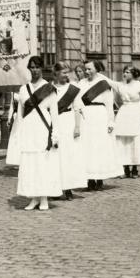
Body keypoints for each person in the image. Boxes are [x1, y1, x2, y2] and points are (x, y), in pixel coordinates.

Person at [15, 56, 62, 210]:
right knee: (30, 163)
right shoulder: (23, 89)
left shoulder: (49, 88)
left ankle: (44, 198)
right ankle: (33, 198)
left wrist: (55, 133)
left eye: (37, 67)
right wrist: (19, 132)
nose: (34, 70)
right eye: (32, 67)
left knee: (43, 163)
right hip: (28, 129)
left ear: (42, 68)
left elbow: (54, 114)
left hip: (43, 128)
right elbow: (20, 114)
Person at [77, 60, 121, 190]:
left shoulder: (103, 84)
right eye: (86, 69)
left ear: (97, 69)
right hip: (86, 115)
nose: (87, 72)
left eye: (89, 69)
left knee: (99, 146)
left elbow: (109, 104)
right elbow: (78, 101)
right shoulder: (81, 83)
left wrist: (111, 121)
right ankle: (89, 178)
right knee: (87, 146)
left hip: (100, 115)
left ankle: (100, 178)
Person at [52, 61, 86, 199]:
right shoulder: (49, 88)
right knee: (55, 155)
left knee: (69, 155)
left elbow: (77, 108)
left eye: (68, 72)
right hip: (53, 122)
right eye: (64, 72)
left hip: (68, 121)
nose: (67, 75)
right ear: (56, 73)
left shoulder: (72, 89)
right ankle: (55, 187)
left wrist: (77, 127)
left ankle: (69, 188)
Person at [113, 66, 140, 179]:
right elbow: (109, 82)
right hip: (124, 113)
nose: (124, 74)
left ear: (134, 73)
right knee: (123, 141)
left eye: (127, 72)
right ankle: (125, 169)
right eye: (124, 71)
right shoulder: (121, 85)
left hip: (136, 113)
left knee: (135, 141)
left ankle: (134, 168)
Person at [5, 91, 22, 167]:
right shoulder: (13, 92)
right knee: (16, 138)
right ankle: (18, 160)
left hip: (26, 116)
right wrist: (9, 118)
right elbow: (12, 106)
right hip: (17, 117)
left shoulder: (27, 88)